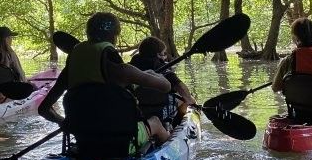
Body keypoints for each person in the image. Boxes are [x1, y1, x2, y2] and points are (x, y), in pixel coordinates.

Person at [39, 12, 172, 151]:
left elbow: (44, 110)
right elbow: (166, 86)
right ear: (115, 36)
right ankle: (168, 154)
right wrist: (149, 73)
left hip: (86, 144)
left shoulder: (69, 72)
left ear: (88, 34)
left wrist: (65, 122)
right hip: (122, 144)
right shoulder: (124, 71)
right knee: (156, 122)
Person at [130, 36, 196, 127]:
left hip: (135, 107)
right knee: (185, 100)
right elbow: (180, 87)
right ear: (158, 54)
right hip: (154, 108)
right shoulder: (159, 65)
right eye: (163, 53)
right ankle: (175, 127)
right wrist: (191, 100)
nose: (165, 57)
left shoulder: (133, 63)